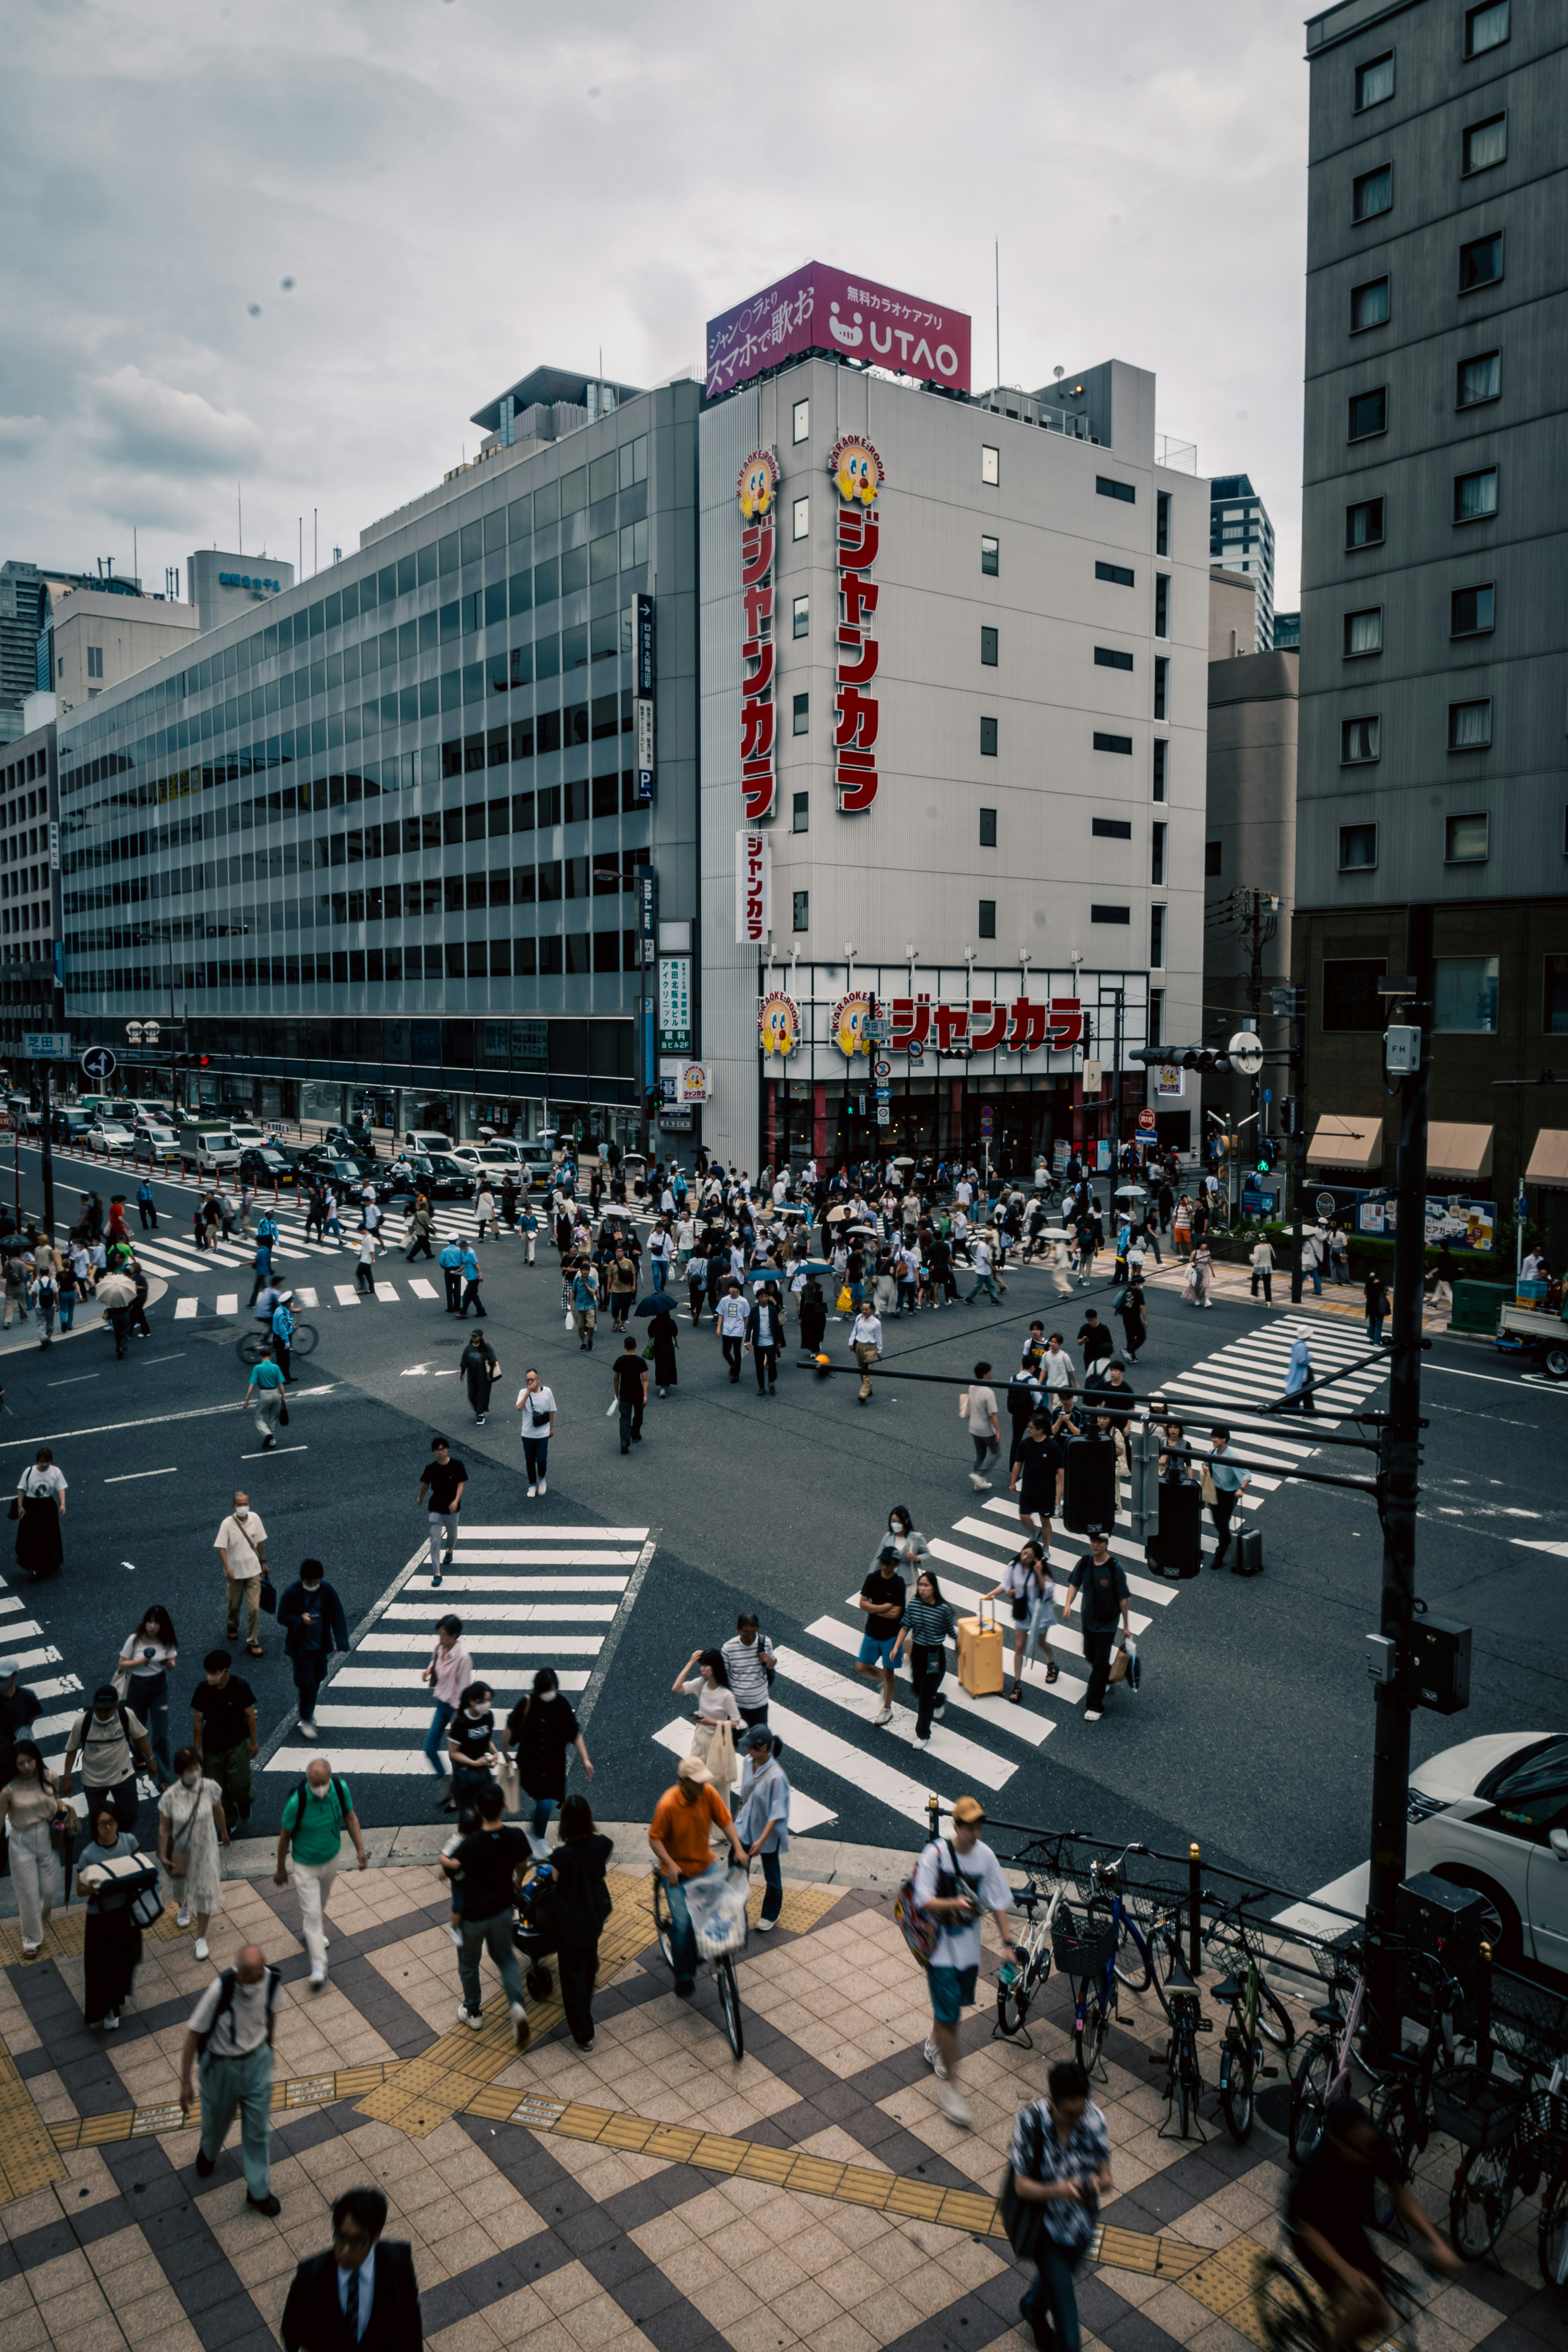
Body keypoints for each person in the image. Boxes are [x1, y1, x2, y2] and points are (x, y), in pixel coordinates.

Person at [1287, 2098, 1461, 2350]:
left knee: (1379, 2314)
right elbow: (1309, 2231)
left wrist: (1437, 2243)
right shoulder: (1319, 2166)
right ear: (1337, 2142)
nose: (1368, 2155)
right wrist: (1348, 2273)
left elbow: (1400, 2193)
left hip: (1347, 2229)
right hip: (1312, 2236)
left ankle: (1342, 2334)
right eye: (1358, 2148)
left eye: (1368, 2144)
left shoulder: (1373, 2144)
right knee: (1363, 2306)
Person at [913, 1794, 1016, 2126]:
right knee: (951, 2019)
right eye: (970, 1827)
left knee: (950, 2009)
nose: (976, 1834)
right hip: (940, 1951)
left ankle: (933, 2044)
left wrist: (1007, 1943)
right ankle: (954, 2092)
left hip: (968, 1952)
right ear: (955, 1826)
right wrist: (955, 1902)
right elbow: (923, 1899)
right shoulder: (937, 1854)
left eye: (979, 1827)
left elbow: (999, 1900)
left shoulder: (985, 1857)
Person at [1010, 2058, 1116, 2352]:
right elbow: (1021, 2186)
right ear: (1052, 2101)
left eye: (1080, 2113)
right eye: (1069, 2114)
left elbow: (1106, 2174)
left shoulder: (1094, 2119)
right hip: (1047, 2233)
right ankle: (1034, 2309)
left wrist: (1098, 2184)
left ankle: (1032, 2306)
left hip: (1082, 2226)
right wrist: (1061, 2192)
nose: (1076, 2120)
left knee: (1052, 2286)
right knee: (1070, 2343)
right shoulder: (1031, 2124)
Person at [180, 1944, 285, 2214]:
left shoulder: (270, 1980)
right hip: (221, 2067)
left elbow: (270, 2012)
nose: (253, 1984)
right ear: (237, 1972)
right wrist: (186, 2082)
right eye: (248, 1978)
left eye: (257, 1977)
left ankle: (258, 2191)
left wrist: (269, 2048)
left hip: (256, 2062)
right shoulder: (220, 1989)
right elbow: (193, 2034)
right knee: (216, 2121)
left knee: (258, 2131)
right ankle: (209, 2152)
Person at [438, 1783, 532, 2045]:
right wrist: (518, 1880)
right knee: (506, 1958)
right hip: (503, 1909)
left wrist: (450, 1861)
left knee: (469, 1964)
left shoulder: (468, 1847)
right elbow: (523, 1863)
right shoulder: (516, 1837)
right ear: (504, 1806)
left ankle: (473, 2012)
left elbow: (448, 1869)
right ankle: (517, 2006)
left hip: (472, 1918)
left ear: (478, 1809)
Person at [648, 1755, 748, 1996]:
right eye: (697, 1782)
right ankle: (684, 1975)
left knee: (723, 1907)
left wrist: (739, 1848)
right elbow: (654, 1838)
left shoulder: (708, 1794)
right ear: (683, 1782)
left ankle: (708, 1948)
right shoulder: (668, 1805)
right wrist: (670, 1865)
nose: (703, 1786)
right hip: (677, 1874)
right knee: (683, 1925)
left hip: (705, 1865)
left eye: (704, 1781)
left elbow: (725, 1821)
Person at [282, 2185, 423, 2352]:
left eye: (356, 2241)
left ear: (375, 2237)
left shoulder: (398, 2262)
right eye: (341, 2238)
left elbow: (411, 2324)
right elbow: (291, 2330)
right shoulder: (311, 2275)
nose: (345, 2251)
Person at [275, 1757, 368, 1986]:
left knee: (319, 1907)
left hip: (331, 1859)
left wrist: (360, 1849)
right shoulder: (297, 1802)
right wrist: (281, 1868)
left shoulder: (340, 1788)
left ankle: (311, 1933)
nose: (321, 1789)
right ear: (308, 1782)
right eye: (315, 1784)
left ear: (330, 1778)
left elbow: (350, 1816)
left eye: (324, 1783)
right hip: (305, 1866)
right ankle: (319, 1966)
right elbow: (284, 1838)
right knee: (314, 1914)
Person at [543, 1791, 615, 2051]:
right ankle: (588, 1978)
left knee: (571, 1978)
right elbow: (604, 1859)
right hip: (594, 1918)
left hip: (569, 1923)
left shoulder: (562, 1856)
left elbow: (553, 1880)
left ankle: (584, 2033)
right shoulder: (602, 1845)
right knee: (587, 1962)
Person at [76, 1803, 150, 2030]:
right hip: (101, 1917)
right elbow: (80, 1890)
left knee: (130, 1955)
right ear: (96, 1827)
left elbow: (143, 1868)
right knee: (105, 1964)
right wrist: (100, 1886)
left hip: (126, 1911)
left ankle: (120, 1991)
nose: (107, 1827)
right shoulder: (89, 1855)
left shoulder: (128, 1842)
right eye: (102, 1824)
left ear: (117, 1823)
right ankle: (110, 2009)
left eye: (111, 1822)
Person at [503, 1667, 593, 1845]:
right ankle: (538, 1838)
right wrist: (504, 1752)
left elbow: (574, 1733)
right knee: (545, 1804)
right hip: (530, 1764)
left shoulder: (562, 1705)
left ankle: (536, 1835)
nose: (551, 1694)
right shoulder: (527, 1703)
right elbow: (510, 1728)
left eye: (553, 1689)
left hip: (553, 1765)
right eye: (547, 1690)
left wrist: (586, 1759)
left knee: (545, 1802)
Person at [158, 1746, 230, 1960]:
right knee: (181, 1884)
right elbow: (163, 1828)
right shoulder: (170, 1797)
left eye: (197, 1767)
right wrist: (163, 1854)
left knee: (205, 1890)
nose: (195, 1772)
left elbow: (219, 1810)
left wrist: (224, 1834)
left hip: (206, 1849)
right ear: (180, 1772)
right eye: (189, 1769)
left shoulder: (210, 1788)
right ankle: (183, 1907)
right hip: (181, 1851)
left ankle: (201, 1938)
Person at [62, 1685, 156, 1831]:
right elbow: (72, 1750)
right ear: (94, 1707)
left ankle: (120, 1840)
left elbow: (140, 1738)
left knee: (130, 1815)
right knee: (97, 1822)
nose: (104, 1713)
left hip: (123, 1776)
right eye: (100, 1709)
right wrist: (67, 1778)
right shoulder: (82, 1722)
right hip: (93, 1780)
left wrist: (151, 1759)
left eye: (108, 1709)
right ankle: (103, 1847)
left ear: (117, 1707)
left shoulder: (126, 1715)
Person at [0, 1740, 61, 1956]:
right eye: (21, 1763)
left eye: (30, 1761)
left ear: (37, 1758)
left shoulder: (50, 1778)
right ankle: (31, 1941)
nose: (27, 1767)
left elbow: (58, 1804)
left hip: (45, 1835)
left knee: (50, 1884)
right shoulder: (8, 1790)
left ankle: (42, 1909)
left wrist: (63, 1817)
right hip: (21, 1841)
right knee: (27, 1893)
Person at [1064, 1528, 1130, 1722]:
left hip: (1107, 1625)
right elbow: (1074, 1584)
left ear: (1106, 1545)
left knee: (1099, 1665)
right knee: (1090, 1656)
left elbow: (1123, 1599)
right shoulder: (1084, 1563)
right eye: (1093, 1541)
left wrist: (1126, 1626)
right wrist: (1068, 1605)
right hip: (1088, 1620)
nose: (1095, 1545)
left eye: (1099, 1542)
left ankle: (1095, 1705)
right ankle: (1108, 1676)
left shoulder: (1114, 1569)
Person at [277, 1558, 348, 1740]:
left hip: (320, 1646)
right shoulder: (293, 1593)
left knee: (318, 1678)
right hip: (300, 1648)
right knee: (307, 1682)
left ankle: (306, 1707)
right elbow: (282, 1616)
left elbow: (337, 1615)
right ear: (303, 1579)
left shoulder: (327, 1591)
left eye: (316, 1581)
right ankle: (306, 1718)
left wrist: (341, 1642)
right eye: (310, 1582)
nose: (313, 1585)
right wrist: (300, 1619)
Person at [192, 1650, 259, 1830]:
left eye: (214, 1673)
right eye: (208, 1672)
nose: (210, 1677)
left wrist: (254, 1743)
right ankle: (228, 1821)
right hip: (212, 1747)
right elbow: (198, 1721)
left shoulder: (240, 1687)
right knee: (216, 1789)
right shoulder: (203, 1690)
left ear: (225, 1671)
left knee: (241, 1784)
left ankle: (244, 1801)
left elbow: (250, 1715)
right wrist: (196, 1749)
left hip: (236, 1744)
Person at [986, 1538, 1058, 1703]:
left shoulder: (1042, 1571)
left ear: (1036, 1559)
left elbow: (1047, 1592)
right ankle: (1017, 1684)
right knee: (1020, 1647)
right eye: (1024, 1552)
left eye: (1029, 1556)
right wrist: (993, 1594)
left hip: (1040, 1614)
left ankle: (1051, 1664)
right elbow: (1005, 1584)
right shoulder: (1014, 1565)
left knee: (1041, 1643)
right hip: (1022, 1612)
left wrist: (1039, 1573)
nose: (1024, 1557)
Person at [735, 1725, 792, 1930]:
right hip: (745, 1826)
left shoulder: (777, 1778)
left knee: (772, 1876)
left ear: (764, 1747)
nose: (748, 1751)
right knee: (737, 1870)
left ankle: (771, 1914)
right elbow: (745, 1795)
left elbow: (777, 1815)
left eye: (751, 1747)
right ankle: (735, 1911)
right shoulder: (749, 1763)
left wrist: (761, 1840)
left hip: (766, 1836)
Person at [895, 1568, 960, 1742]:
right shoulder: (915, 1605)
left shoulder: (943, 1609)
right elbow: (905, 1627)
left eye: (926, 1585)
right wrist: (897, 1647)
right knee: (917, 1689)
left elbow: (950, 1630)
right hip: (918, 1654)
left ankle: (923, 1734)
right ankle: (939, 1700)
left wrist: (959, 1644)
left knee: (924, 1697)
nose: (922, 1589)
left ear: (934, 1588)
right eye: (920, 1585)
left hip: (935, 1655)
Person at [118, 1604, 179, 1787]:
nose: (152, 1626)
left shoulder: (166, 1640)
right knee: (136, 1727)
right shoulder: (135, 1640)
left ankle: (164, 1777)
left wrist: (167, 1663)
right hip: (137, 1686)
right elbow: (122, 1663)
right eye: (150, 1622)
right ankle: (140, 1756)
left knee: (161, 1732)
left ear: (164, 1625)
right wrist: (141, 1661)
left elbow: (172, 1665)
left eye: (157, 1623)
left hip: (158, 1686)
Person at [674, 1646, 742, 1791]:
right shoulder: (701, 1684)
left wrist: (710, 1722)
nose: (702, 1669)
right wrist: (690, 1663)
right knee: (693, 1775)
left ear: (715, 1668)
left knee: (713, 1782)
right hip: (700, 1737)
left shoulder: (726, 1695)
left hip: (716, 1742)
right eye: (701, 1665)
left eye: (706, 1665)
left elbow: (736, 1723)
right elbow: (677, 1688)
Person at [213, 1491, 269, 1657]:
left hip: (253, 1571)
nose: (243, 1507)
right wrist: (227, 1568)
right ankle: (232, 1625)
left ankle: (253, 1642)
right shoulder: (227, 1524)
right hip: (235, 1574)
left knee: (254, 1608)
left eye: (246, 1503)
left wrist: (263, 1561)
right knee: (234, 1605)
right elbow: (222, 1548)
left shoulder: (255, 1519)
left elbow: (259, 1542)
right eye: (240, 1504)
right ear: (234, 1506)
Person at [855, 1543, 906, 1726]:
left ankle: (887, 1708)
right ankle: (882, 1681)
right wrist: (883, 1608)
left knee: (889, 1671)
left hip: (891, 1636)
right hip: (872, 1632)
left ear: (895, 1565)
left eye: (888, 1564)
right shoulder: (872, 1578)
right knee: (862, 1666)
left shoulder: (899, 1584)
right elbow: (862, 1603)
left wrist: (873, 1609)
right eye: (883, 1563)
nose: (884, 1566)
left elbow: (896, 1614)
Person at [419, 1614, 472, 1782]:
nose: (440, 1638)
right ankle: (445, 1780)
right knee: (429, 1749)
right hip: (442, 1704)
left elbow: (465, 1691)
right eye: (440, 1634)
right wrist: (429, 1670)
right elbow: (435, 1663)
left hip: (456, 1710)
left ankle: (457, 1788)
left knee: (454, 1753)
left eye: (444, 1635)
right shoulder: (440, 1648)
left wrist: (461, 1718)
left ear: (455, 1635)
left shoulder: (463, 1659)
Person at [442, 1680, 501, 1816]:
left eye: (489, 1700)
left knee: (484, 1809)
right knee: (468, 1814)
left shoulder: (488, 1716)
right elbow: (454, 1752)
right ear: (472, 1702)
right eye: (483, 1701)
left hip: (483, 1771)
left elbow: (486, 1739)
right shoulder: (461, 1722)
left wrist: (495, 1753)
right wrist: (474, 1763)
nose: (487, 1704)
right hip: (465, 1774)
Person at [1010, 1412, 1066, 1546]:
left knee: (1045, 1521)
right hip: (1028, 1490)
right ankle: (1034, 1533)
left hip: (1046, 1492)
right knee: (1024, 1517)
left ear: (1040, 1430)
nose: (1028, 1429)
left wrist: (1062, 1489)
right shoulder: (1025, 1444)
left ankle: (1046, 1548)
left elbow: (1061, 1470)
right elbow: (1018, 1463)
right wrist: (1013, 1483)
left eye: (1031, 1428)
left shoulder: (1052, 1446)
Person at [419, 1436, 467, 1589]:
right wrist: (421, 1498)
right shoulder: (431, 1468)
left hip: (452, 1508)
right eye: (438, 1450)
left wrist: (456, 1501)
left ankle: (450, 1550)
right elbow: (426, 1485)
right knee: (435, 1541)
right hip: (435, 1507)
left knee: (452, 1535)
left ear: (447, 1450)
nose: (441, 1452)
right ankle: (437, 1573)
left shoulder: (457, 1465)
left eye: (443, 1449)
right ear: (434, 1452)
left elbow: (461, 1485)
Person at [14, 1447, 66, 1584]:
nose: (45, 1465)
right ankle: (36, 1566)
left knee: (48, 1536)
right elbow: (22, 1489)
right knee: (31, 1536)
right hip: (31, 1506)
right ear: (38, 1461)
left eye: (47, 1462)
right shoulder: (29, 1472)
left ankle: (43, 1565)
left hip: (47, 1507)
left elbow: (60, 1488)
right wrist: (20, 1506)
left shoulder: (55, 1472)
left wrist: (62, 1504)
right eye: (42, 1462)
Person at [1205, 1427, 1252, 1567]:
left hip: (1229, 1495)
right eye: (1212, 1437)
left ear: (1224, 1439)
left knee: (1224, 1523)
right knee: (1217, 1522)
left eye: (1216, 1437)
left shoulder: (1233, 1457)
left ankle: (1219, 1556)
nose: (1213, 1440)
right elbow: (1206, 1464)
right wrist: (1205, 1468)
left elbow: (1246, 1475)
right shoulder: (1211, 1453)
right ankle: (1226, 1540)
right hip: (1215, 1492)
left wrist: (1241, 1489)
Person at [721, 1613, 775, 1729]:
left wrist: (767, 1662)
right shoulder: (728, 1649)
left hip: (760, 1703)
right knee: (731, 1741)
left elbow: (772, 1664)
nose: (750, 1637)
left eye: (753, 1633)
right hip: (736, 1705)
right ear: (738, 1630)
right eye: (746, 1633)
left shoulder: (765, 1642)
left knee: (758, 1742)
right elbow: (723, 1676)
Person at [516, 1371, 555, 1497]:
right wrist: (528, 1392)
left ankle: (542, 1478)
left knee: (542, 1459)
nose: (530, 1382)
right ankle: (532, 1484)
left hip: (542, 1433)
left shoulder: (547, 1392)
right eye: (528, 1380)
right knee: (530, 1461)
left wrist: (551, 1428)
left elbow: (551, 1410)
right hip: (528, 1434)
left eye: (532, 1379)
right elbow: (519, 1408)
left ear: (538, 1379)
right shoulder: (523, 1392)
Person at [965, 1362, 1001, 1490]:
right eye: (990, 1372)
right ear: (985, 1375)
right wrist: (998, 1431)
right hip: (986, 1430)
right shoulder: (988, 1393)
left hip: (974, 1427)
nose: (991, 1374)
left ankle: (978, 1483)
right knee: (996, 1453)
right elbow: (992, 1415)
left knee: (980, 1454)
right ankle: (979, 1476)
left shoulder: (972, 1387)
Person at [611, 1334, 648, 1453]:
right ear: (636, 1346)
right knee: (638, 1414)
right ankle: (635, 1434)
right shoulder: (640, 1361)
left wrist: (616, 1393)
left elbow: (616, 1378)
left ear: (624, 1347)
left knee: (625, 1417)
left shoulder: (620, 1361)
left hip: (625, 1393)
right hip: (637, 1393)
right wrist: (645, 1395)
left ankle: (624, 1440)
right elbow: (645, 1379)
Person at [245, 1350, 287, 1450]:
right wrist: (283, 1397)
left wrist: (247, 1399)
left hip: (264, 1394)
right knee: (274, 1417)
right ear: (270, 1356)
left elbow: (252, 1385)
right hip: (275, 1393)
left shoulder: (258, 1368)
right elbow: (280, 1384)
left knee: (260, 1418)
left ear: (261, 1357)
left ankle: (267, 1434)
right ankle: (273, 1441)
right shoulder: (276, 1367)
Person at [459, 1330, 500, 1428]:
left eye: (475, 1336)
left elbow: (493, 1360)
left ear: (480, 1337)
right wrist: (463, 1373)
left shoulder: (486, 1347)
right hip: (472, 1375)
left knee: (482, 1394)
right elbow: (464, 1361)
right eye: (472, 1336)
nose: (473, 1338)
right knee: (472, 1394)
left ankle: (481, 1414)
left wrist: (490, 1375)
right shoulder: (469, 1348)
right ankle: (478, 1409)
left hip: (484, 1376)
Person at [849, 1297, 883, 1402]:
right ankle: (869, 1388)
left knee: (867, 1371)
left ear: (872, 1310)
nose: (864, 1311)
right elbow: (855, 1331)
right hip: (859, 1346)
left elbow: (879, 1338)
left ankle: (863, 1394)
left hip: (870, 1348)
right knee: (861, 1370)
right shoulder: (859, 1318)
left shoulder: (876, 1323)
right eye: (863, 1309)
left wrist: (879, 1351)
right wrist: (851, 1343)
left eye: (867, 1310)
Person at [647, 1299, 679, 1397]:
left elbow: (651, 1335)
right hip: (668, 1345)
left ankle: (662, 1385)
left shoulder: (654, 1322)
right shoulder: (671, 1322)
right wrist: (677, 1343)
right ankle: (667, 1382)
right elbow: (675, 1334)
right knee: (669, 1364)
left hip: (658, 1345)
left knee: (660, 1364)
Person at [1285, 1331, 1316, 1412]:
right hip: (1302, 1375)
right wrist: (1309, 1358)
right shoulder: (1302, 1346)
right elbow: (1301, 1361)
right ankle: (1280, 1408)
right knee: (1303, 1394)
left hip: (1298, 1373)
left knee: (1305, 1393)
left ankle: (1309, 1412)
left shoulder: (1296, 1344)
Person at [438, 1236, 464, 1312]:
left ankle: (450, 1307)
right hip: (457, 1269)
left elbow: (441, 1262)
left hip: (448, 1270)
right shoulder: (459, 1250)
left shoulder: (445, 1251)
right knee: (458, 1288)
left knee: (449, 1288)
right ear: (456, 1241)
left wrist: (446, 1268)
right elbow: (463, 1261)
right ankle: (457, 1306)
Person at [1365, 1267, 1390, 1345]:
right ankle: (1377, 1342)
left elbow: (1366, 1294)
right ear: (1379, 1276)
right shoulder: (1382, 1283)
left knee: (1372, 1322)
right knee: (1379, 1324)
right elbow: (1388, 1292)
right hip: (1379, 1306)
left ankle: (1371, 1338)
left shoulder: (1368, 1283)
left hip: (1370, 1306)